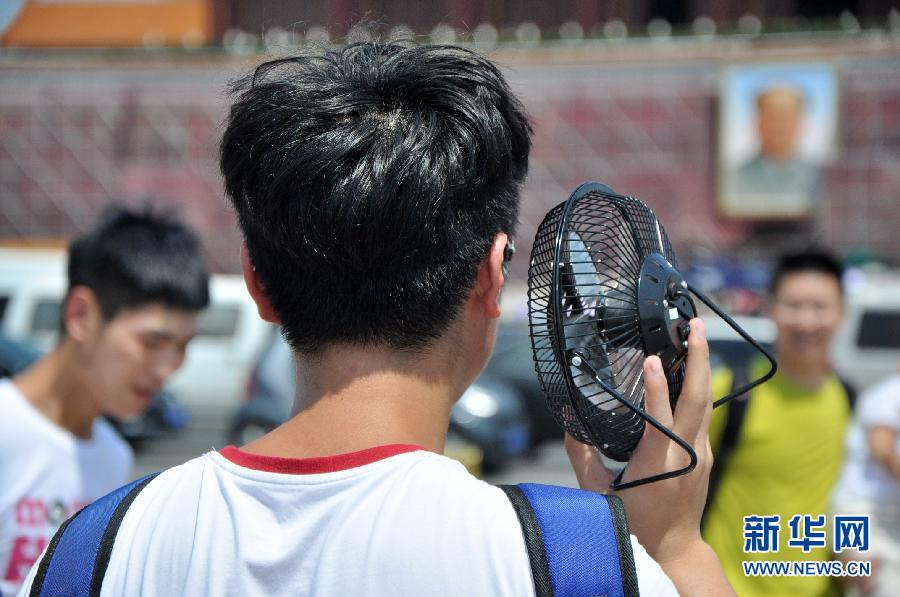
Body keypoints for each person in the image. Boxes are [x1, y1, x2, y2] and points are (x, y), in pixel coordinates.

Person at [19, 43, 732, 596]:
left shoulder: (93, 548)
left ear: (258, 284)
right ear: (493, 276)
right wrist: (670, 546)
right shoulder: (570, 557)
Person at [0, 205, 209, 595]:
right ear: (81, 315)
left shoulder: (114, 456)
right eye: (152, 342)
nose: (168, 369)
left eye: (182, 347)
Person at [703, 249, 852, 596]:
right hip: (733, 588)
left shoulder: (847, 399)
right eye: (794, 305)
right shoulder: (732, 392)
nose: (806, 321)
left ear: (841, 313)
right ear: (770, 307)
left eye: (819, 307)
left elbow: (845, 497)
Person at [832, 373, 900, 597]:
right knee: (876, 587)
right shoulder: (891, 392)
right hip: (857, 514)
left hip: (887, 520)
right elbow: (881, 446)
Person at [727, 85, 821, 218]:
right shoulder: (733, 177)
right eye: (773, 116)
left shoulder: (819, 176)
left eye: (788, 117)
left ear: (801, 124)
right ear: (758, 122)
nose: (780, 126)